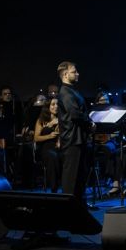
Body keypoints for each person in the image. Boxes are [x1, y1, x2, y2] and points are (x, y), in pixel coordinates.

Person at [56, 61, 90, 199]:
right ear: (65, 74)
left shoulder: (71, 90)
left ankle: (79, 206)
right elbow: (75, 114)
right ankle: (68, 208)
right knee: (71, 178)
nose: (77, 74)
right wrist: (90, 123)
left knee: (80, 178)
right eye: (74, 71)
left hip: (78, 139)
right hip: (72, 140)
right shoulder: (65, 92)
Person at [33, 94, 62, 192]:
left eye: (57, 104)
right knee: (53, 156)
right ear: (48, 107)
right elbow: (36, 138)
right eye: (53, 104)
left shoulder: (61, 118)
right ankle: (54, 187)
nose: (56, 107)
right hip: (46, 148)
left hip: (59, 147)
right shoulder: (41, 120)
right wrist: (49, 134)